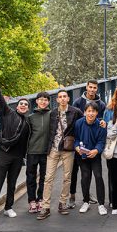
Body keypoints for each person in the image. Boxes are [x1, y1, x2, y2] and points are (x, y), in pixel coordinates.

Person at [0, 70, 30, 220]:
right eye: (21, 104)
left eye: (26, 104)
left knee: (12, 184)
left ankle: (8, 207)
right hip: (4, 153)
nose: (23, 105)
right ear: (16, 106)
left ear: (28, 109)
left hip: (18, 157)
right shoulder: (8, 112)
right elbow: (0, 99)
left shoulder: (28, 122)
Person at [38, 89, 83, 220]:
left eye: (65, 96)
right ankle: (45, 207)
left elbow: (85, 123)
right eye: (60, 97)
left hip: (68, 149)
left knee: (67, 177)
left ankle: (62, 203)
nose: (62, 99)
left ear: (68, 99)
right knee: (48, 178)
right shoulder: (52, 113)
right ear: (57, 100)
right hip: (53, 148)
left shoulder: (75, 112)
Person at [69, 80, 104, 208]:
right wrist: (76, 146)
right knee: (79, 173)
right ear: (86, 87)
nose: (92, 89)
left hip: (94, 147)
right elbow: (74, 123)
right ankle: (74, 197)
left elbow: (103, 121)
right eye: (90, 87)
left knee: (95, 175)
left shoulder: (101, 104)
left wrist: (97, 150)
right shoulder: (78, 102)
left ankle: (94, 199)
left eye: (95, 87)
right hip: (80, 147)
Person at [74, 101, 108, 215]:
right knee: (85, 177)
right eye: (88, 111)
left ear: (97, 113)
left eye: (93, 111)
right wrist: (77, 147)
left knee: (98, 176)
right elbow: (76, 138)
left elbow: (101, 141)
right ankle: (86, 201)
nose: (91, 113)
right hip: (82, 155)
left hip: (94, 155)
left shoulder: (101, 125)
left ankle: (101, 204)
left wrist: (96, 150)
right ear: (84, 112)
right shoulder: (78, 123)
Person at [26, 92, 51, 214]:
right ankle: (32, 201)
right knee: (31, 177)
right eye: (40, 99)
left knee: (44, 178)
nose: (43, 102)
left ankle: (41, 199)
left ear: (48, 102)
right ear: (36, 101)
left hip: (46, 152)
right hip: (32, 151)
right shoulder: (30, 117)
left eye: (45, 100)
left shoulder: (52, 115)